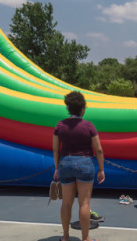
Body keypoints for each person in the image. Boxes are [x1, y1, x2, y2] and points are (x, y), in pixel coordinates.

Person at [53, 91, 105, 241]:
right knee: (84, 203)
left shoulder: (60, 125)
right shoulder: (88, 126)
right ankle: (86, 237)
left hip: (65, 163)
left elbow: (56, 149)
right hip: (84, 163)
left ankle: (65, 236)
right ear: (82, 109)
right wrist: (101, 170)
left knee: (66, 203)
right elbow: (99, 149)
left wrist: (57, 167)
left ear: (68, 108)